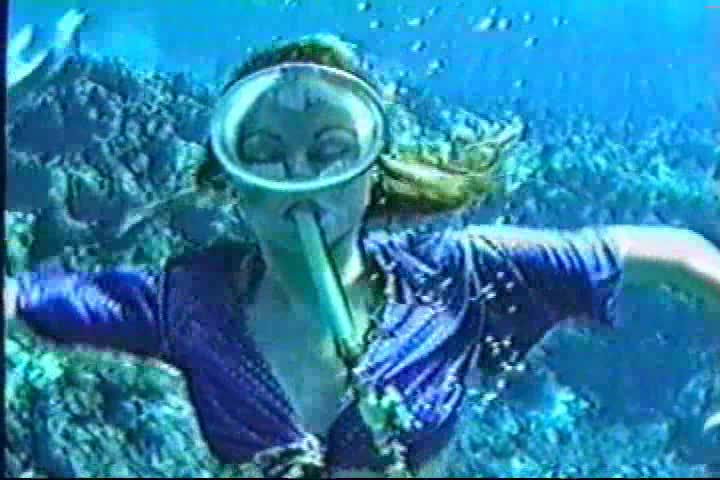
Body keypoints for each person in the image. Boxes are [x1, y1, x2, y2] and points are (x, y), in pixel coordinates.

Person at [5, 14, 720, 479]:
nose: (298, 177)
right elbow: (23, 298)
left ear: (371, 171)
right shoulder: (187, 301)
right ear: (234, 182)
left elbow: (674, 252)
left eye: (329, 151)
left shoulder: (459, 276)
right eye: (265, 152)